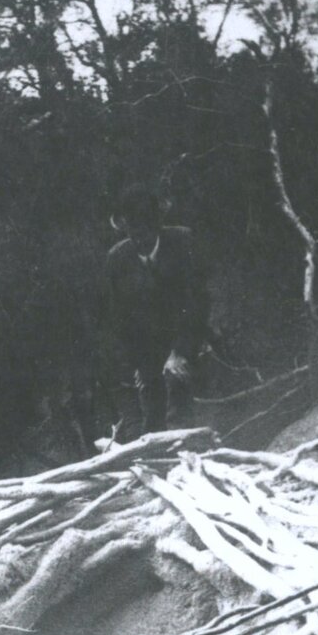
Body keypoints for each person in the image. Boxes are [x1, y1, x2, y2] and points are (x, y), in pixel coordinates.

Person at [104, 185, 210, 442]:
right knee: (149, 416)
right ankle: (159, 461)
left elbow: (198, 302)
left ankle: (186, 451)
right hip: (146, 352)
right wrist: (135, 365)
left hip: (187, 339)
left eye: (144, 233)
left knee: (178, 395)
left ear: (156, 226)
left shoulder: (183, 242)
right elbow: (118, 320)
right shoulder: (117, 259)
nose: (139, 241)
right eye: (132, 234)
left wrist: (181, 352)